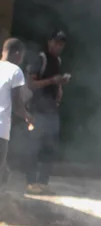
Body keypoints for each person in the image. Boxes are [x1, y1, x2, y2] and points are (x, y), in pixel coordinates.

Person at [22, 31, 70, 195]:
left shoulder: (57, 60)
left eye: (61, 44)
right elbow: (30, 83)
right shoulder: (40, 59)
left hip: (51, 111)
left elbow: (55, 82)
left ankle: (43, 183)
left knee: (50, 148)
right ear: (49, 42)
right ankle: (30, 183)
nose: (58, 46)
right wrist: (51, 81)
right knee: (33, 147)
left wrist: (60, 86)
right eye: (56, 42)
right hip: (37, 110)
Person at [0, 39, 33, 186]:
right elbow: (17, 104)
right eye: (22, 56)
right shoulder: (15, 71)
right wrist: (28, 116)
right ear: (17, 54)